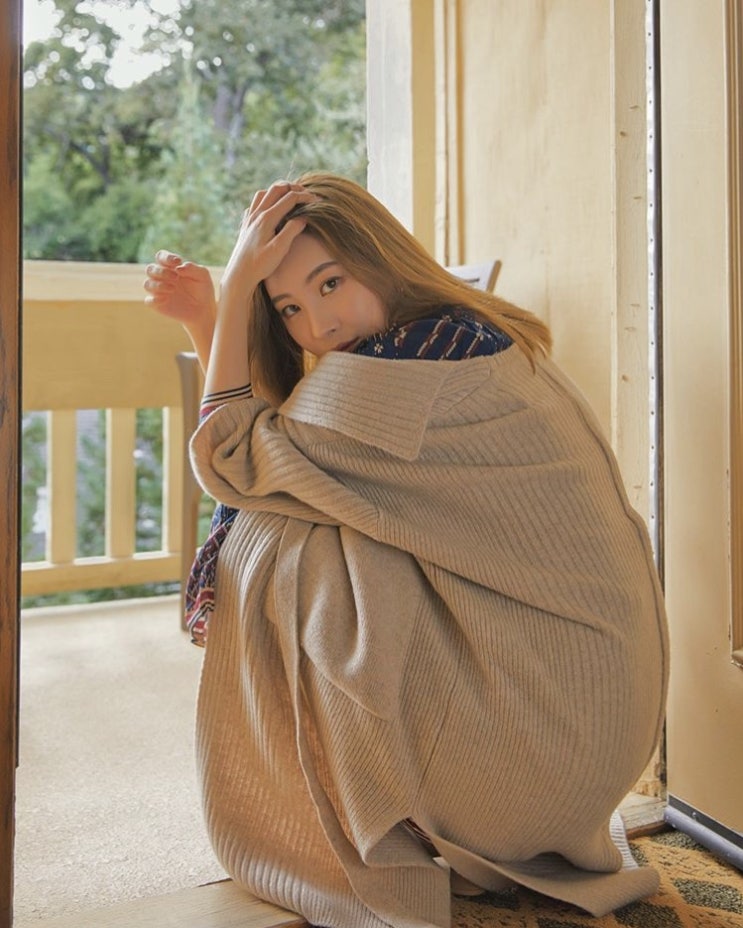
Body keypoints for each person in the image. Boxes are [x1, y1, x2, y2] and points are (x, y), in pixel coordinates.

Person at [144, 172, 669, 928]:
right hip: (576, 733)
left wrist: (228, 294)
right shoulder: (454, 334)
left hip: (542, 743)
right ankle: (394, 794)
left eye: (330, 283)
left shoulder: (413, 369)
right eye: (288, 306)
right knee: (303, 521)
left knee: (276, 544)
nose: (319, 325)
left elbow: (234, 461)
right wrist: (214, 318)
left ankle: (373, 800)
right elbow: (269, 456)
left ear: (382, 258)